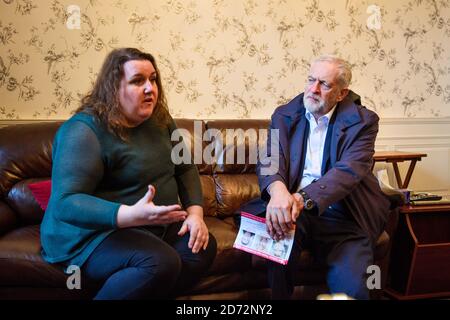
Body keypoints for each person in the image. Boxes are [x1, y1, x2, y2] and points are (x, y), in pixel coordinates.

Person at [40, 47, 217, 300]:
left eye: (153, 79)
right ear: (113, 88)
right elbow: (66, 202)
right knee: (160, 262)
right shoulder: (82, 131)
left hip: (152, 227)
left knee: (201, 246)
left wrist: (195, 215)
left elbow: (185, 167)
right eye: (137, 81)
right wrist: (130, 214)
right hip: (92, 235)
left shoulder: (161, 118)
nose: (150, 88)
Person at [256, 55, 390, 300]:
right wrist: (278, 194)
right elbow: (269, 161)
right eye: (310, 80)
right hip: (294, 212)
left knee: (355, 291)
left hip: (344, 215)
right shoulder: (284, 115)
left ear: (341, 93)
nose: (313, 89)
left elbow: (349, 171)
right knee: (276, 241)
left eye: (324, 84)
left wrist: (299, 198)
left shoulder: (363, 122)